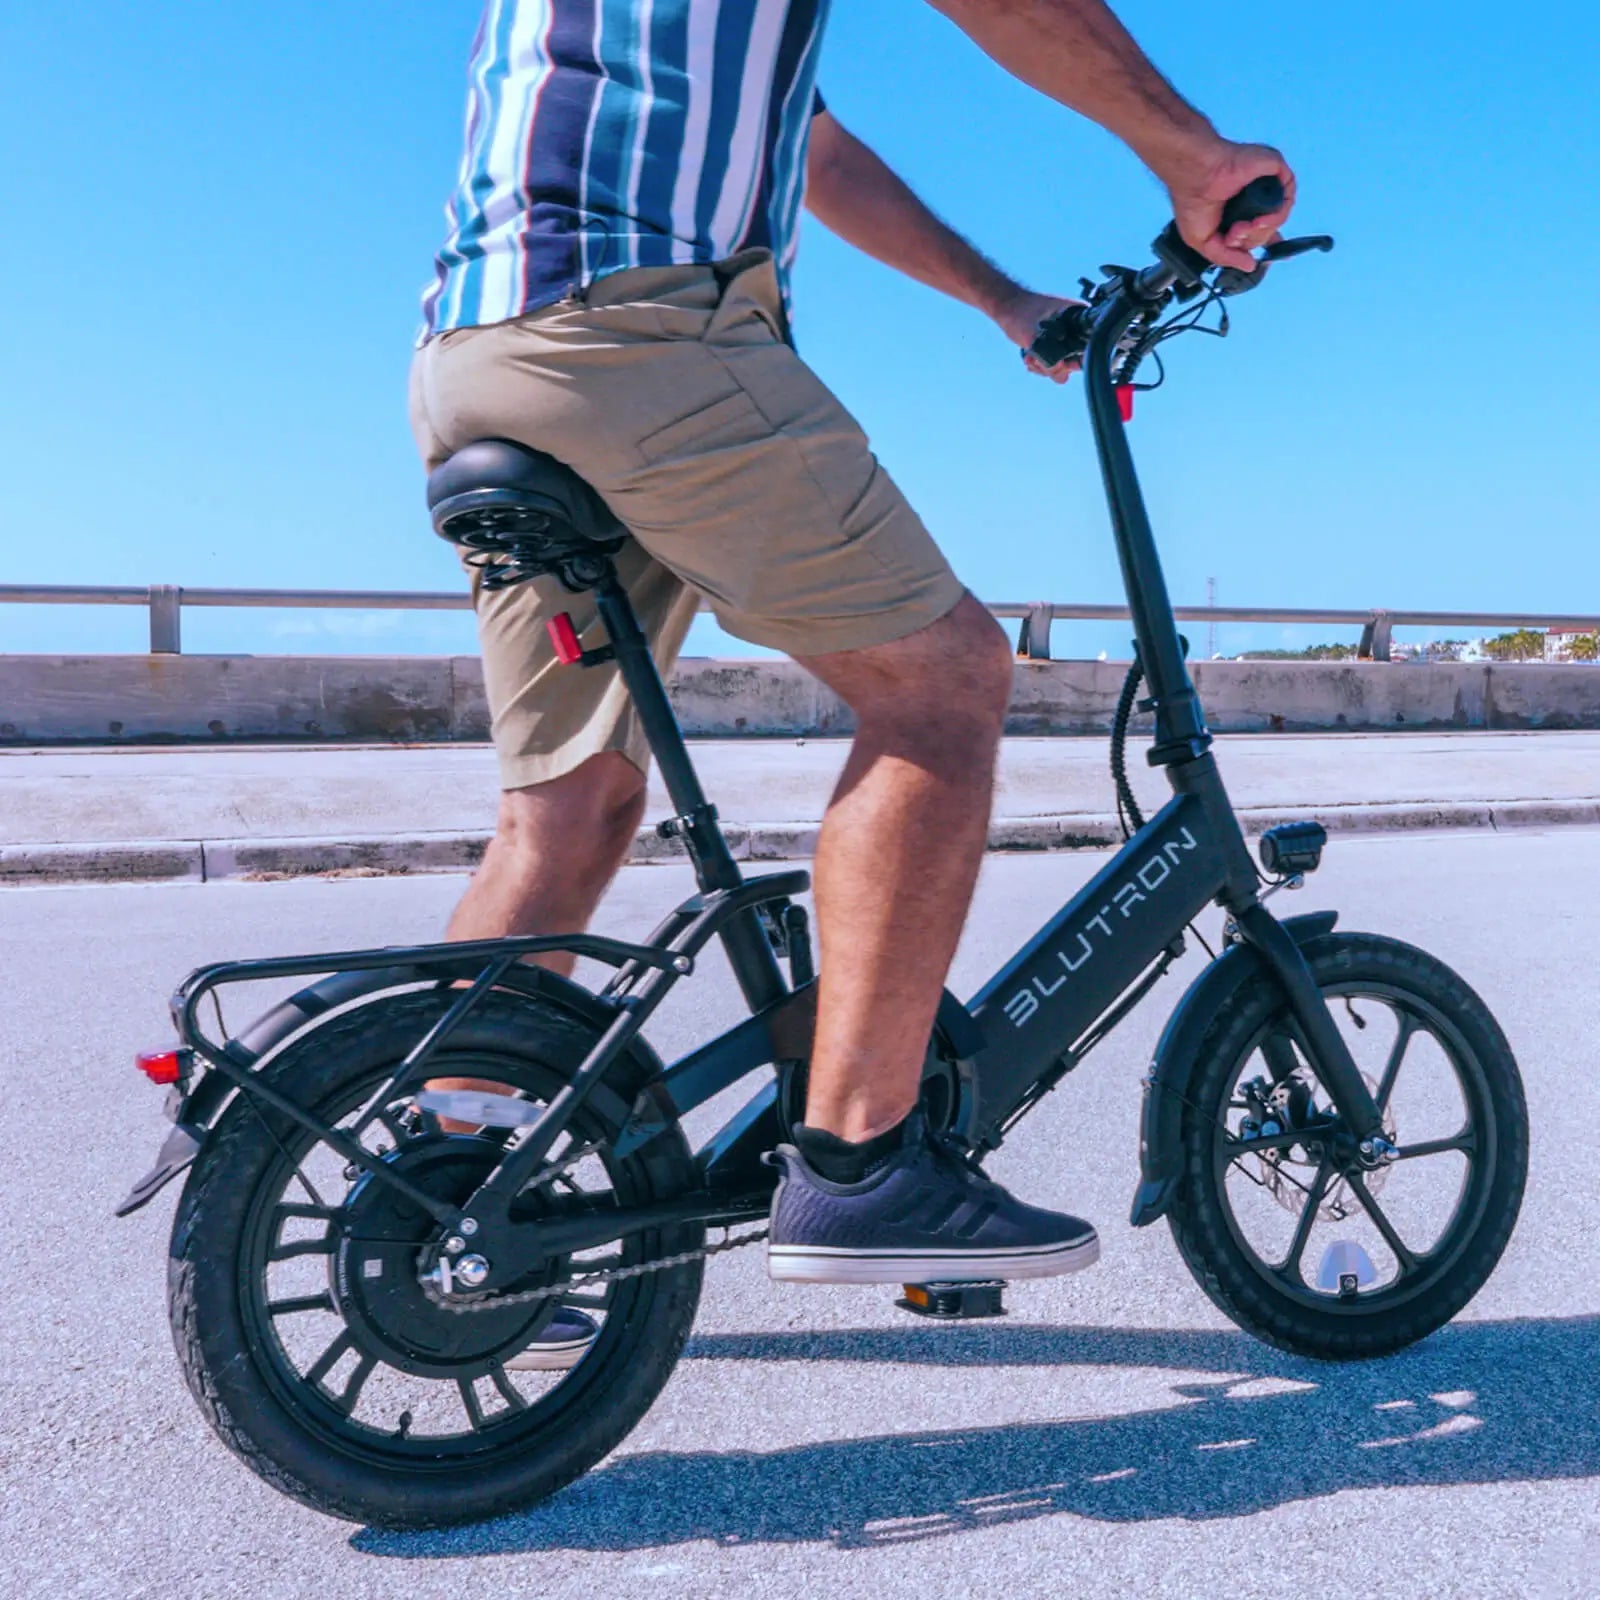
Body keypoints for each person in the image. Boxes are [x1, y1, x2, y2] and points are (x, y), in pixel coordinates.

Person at [409, 0, 1296, 1356]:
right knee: (942, 682)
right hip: (648, 335)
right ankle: (862, 1166)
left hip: (484, 353)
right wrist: (1189, 152)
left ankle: (435, 1199)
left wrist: (1003, 300)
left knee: (569, 809)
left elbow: (810, 149)